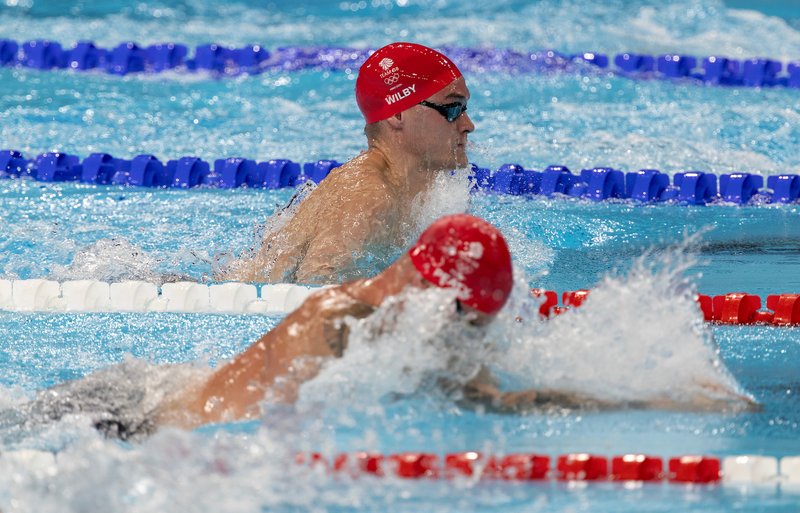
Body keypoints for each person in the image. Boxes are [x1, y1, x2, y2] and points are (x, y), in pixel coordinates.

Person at [218, 42, 476, 285]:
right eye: (452, 109)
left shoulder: (424, 185)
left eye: (464, 109)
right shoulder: (369, 196)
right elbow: (314, 286)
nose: (468, 125)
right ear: (398, 114)